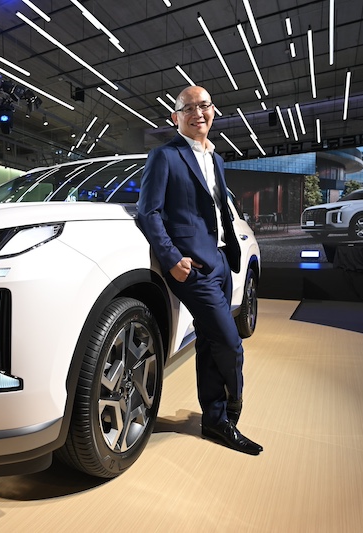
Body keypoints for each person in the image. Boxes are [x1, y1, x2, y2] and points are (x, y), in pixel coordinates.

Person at [137, 85, 263, 456]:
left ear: (213, 110)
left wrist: (229, 253)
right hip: (194, 266)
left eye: (204, 105)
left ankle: (214, 420)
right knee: (230, 342)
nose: (198, 113)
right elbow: (149, 211)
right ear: (175, 117)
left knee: (210, 342)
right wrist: (172, 258)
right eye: (188, 108)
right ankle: (232, 410)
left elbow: (217, 210)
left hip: (223, 260)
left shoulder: (216, 159)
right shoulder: (164, 156)